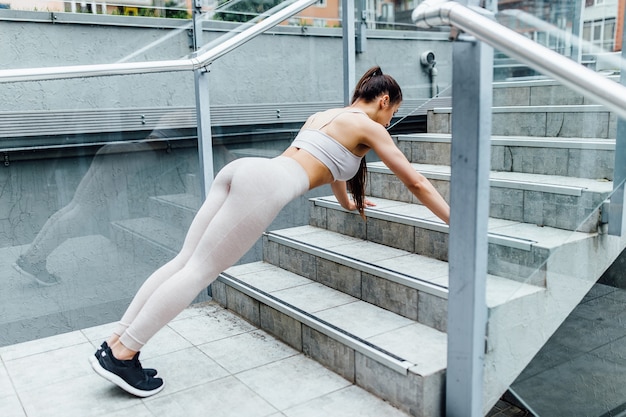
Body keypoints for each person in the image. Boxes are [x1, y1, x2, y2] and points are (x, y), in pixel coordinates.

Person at [90, 66, 451, 397]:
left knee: (185, 260)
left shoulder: (323, 116)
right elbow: (416, 182)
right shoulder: (369, 127)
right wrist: (454, 220)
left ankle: (116, 340)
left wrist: (348, 203)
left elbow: (332, 169)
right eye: (393, 113)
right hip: (265, 185)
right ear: (384, 100)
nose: (389, 122)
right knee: (200, 270)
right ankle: (123, 354)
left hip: (244, 171)